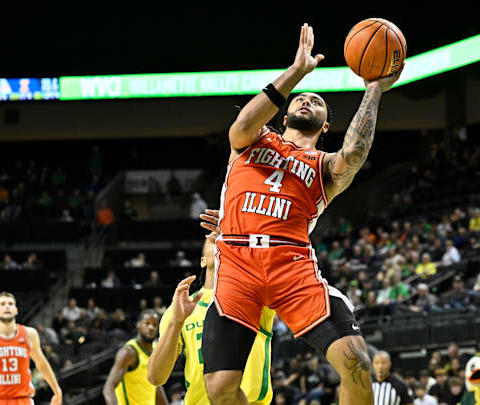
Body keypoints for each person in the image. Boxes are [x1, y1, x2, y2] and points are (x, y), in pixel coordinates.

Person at [198, 23, 403, 405]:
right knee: (220, 388)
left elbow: (354, 154)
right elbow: (240, 124)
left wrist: (374, 89)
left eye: (317, 101)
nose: (307, 100)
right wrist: (297, 72)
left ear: (325, 125)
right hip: (237, 263)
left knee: (357, 360)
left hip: (290, 264)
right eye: (300, 99)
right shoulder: (253, 139)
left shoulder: (324, 166)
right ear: (284, 113)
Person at [147, 234, 276, 405]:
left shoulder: (256, 297)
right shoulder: (179, 308)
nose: (221, 240)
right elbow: (155, 377)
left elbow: (274, 253)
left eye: (228, 238)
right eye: (214, 239)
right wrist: (176, 322)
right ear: (203, 261)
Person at [0, 292, 62, 405]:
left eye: (10, 304)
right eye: (2, 304)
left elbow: (41, 363)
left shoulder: (29, 334)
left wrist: (57, 391)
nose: (7, 306)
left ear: (16, 310)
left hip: (22, 399)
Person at [102, 309, 168, 405]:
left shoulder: (156, 350)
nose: (151, 327)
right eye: (147, 323)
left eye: (154, 325)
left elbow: (157, 387)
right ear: (138, 325)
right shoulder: (128, 353)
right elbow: (108, 388)